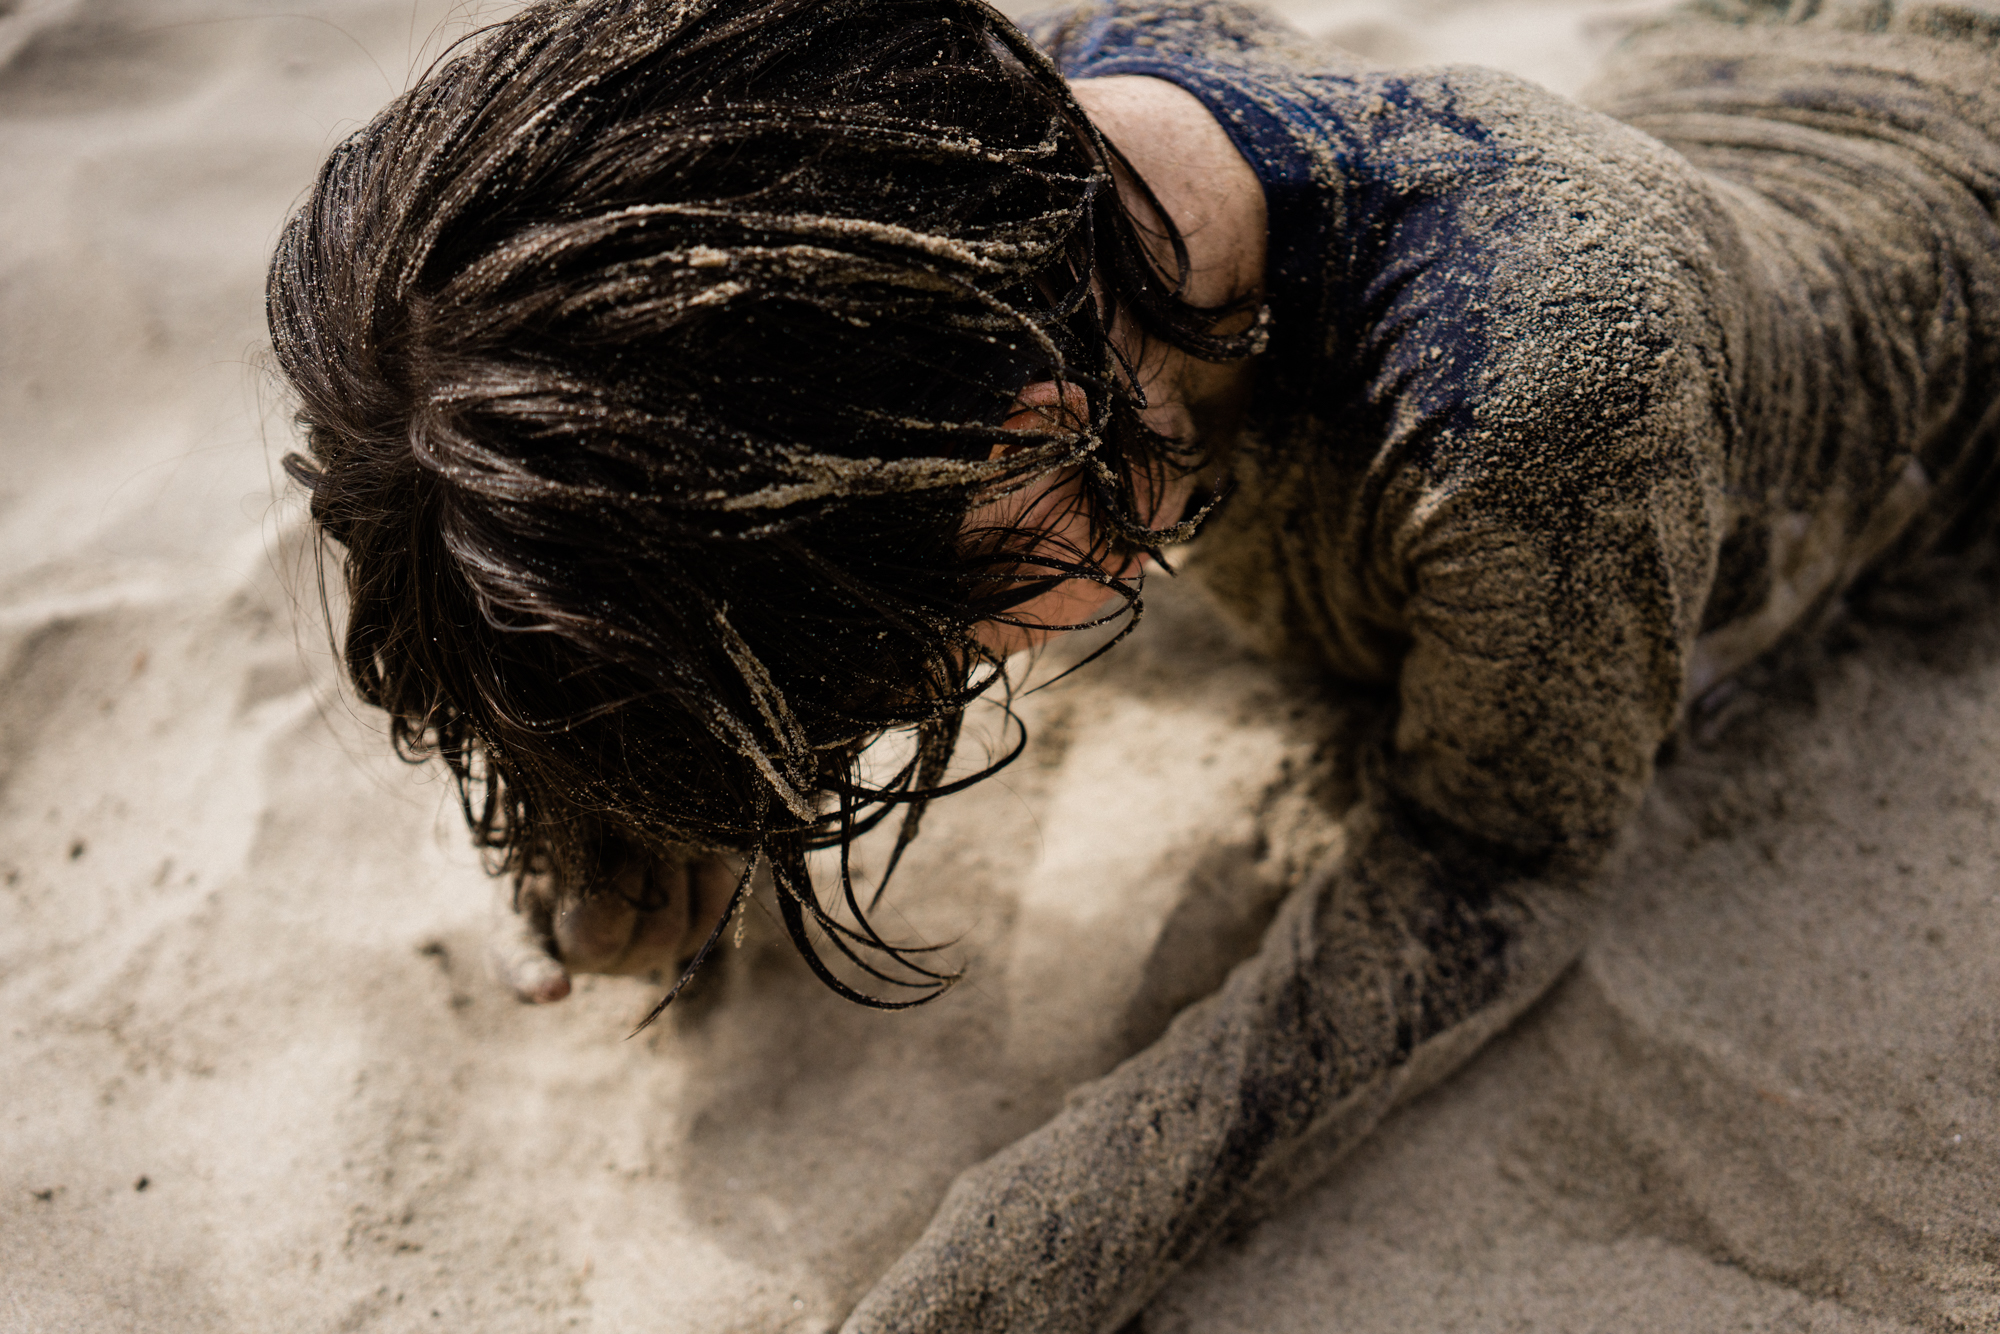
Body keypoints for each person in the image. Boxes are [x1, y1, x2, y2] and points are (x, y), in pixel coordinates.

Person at [266, 0, 2000, 1328]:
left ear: (1029, 440)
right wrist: (635, 786)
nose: (909, 695)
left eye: (902, 655)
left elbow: (1503, 859)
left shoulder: (1544, 387)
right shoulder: (999, 165)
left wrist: (1033, 1249)